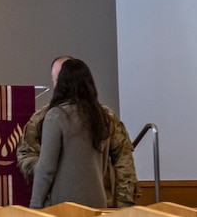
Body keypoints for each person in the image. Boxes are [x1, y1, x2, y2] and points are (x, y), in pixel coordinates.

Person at [16, 55, 138, 207]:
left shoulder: (59, 116)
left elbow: (123, 159)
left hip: (71, 203)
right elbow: (27, 153)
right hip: (94, 201)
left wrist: (124, 203)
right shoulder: (44, 117)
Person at [29, 57, 112, 210]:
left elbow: (46, 168)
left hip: (66, 205)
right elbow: (103, 165)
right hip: (97, 202)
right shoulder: (101, 116)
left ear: (61, 84)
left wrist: (35, 206)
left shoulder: (57, 115)